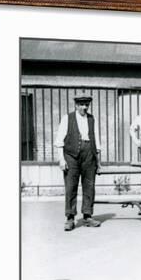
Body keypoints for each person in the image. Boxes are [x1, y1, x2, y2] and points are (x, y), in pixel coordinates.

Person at [55, 91, 102, 231]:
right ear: (76, 105)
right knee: (71, 186)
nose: (84, 107)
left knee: (89, 185)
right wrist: (61, 160)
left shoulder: (92, 119)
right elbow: (59, 141)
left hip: (89, 155)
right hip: (71, 155)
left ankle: (87, 216)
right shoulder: (67, 118)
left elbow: (97, 141)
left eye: (86, 104)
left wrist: (98, 162)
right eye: (81, 104)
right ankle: (70, 218)